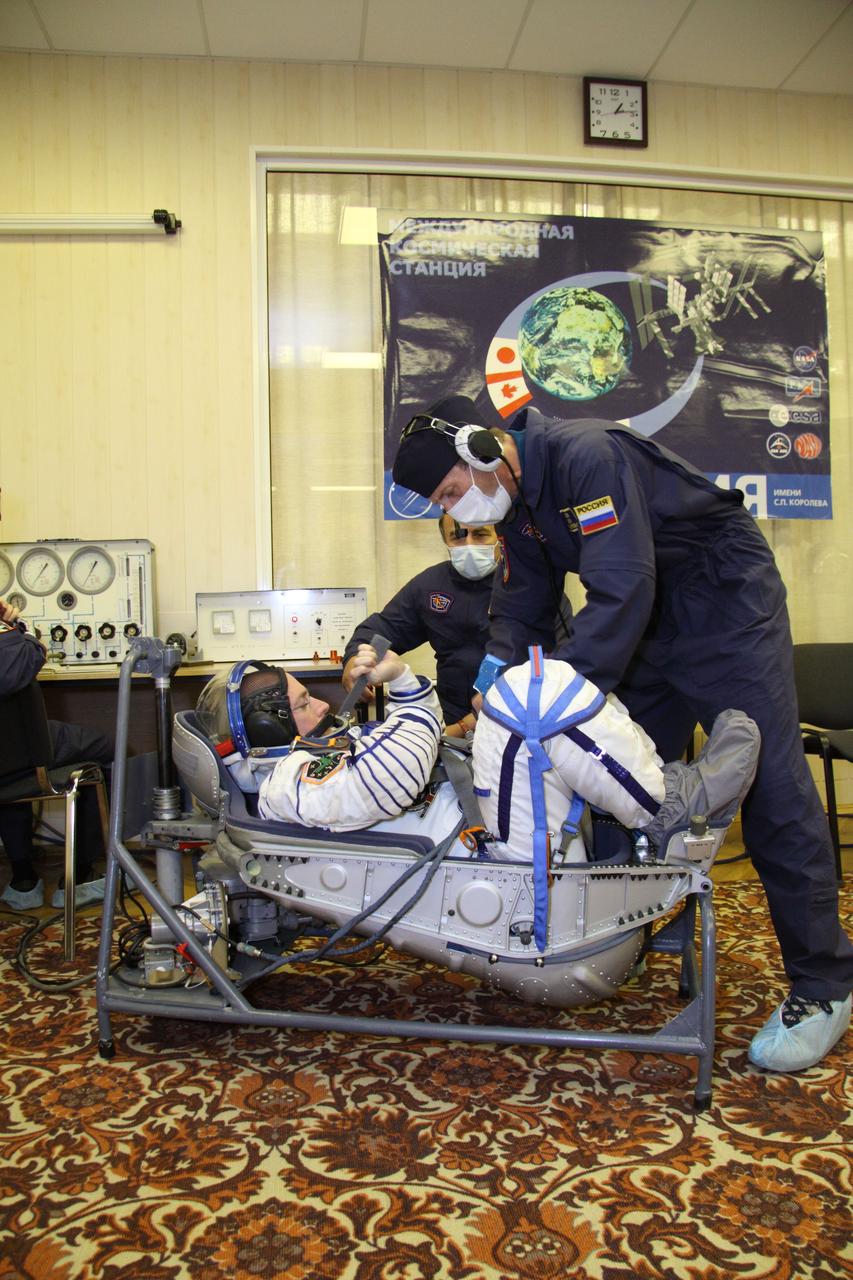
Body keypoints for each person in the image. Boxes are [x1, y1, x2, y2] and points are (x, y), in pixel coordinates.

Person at [391, 394, 853, 1074]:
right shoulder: (515, 505)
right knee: (611, 779)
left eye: (455, 489)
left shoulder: (587, 454)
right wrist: (490, 685)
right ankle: (616, 933)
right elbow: (520, 609)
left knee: (772, 782)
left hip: (720, 599)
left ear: (483, 451)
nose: (459, 510)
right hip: (640, 616)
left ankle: (823, 985)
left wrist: (558, 699)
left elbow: (622, 583)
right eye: (443, 503)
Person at [195, 641, 759, 879]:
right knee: (527, 693)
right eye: (300, 702)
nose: (320, 703)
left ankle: (661, 788)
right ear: (267, 723)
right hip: (488, 856)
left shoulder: (305, 762)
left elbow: (400, 757)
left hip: (479, 826)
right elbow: (392, 778)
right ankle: (666, 813)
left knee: (537, 690)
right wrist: (414, 694)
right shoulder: (289, 781)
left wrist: (415, 690)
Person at [0, 596, 113, 910]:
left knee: (11, 763)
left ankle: (24, 880)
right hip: (22, 751)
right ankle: (79, 878)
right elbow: (19, 663)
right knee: (107, 747)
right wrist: (15, 629)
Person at [341, 514, 498, 738]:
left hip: (517, 721)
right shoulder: (431, 586)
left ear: (500, 536)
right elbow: (380, 628)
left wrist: (470, 724)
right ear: (446, 541)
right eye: (458, 537)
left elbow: (557, 658)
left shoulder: (525, 585)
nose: (469, 545)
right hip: (451, 720)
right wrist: (353, 662)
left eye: (480, 534)